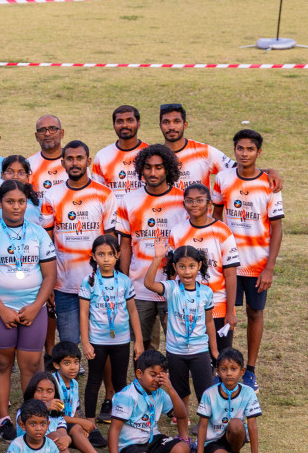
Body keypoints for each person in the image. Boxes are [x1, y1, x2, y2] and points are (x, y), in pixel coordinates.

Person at [0, 179, 58, 442]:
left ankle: (30, 416)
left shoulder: (38, 233)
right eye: (10, 201)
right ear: (1, 202)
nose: (16, 207)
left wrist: (35, 307)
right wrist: (2, 310)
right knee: (1, 363)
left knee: (31, 363)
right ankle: (4, 418)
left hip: (33, 307)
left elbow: (50, 276)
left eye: (21, 201)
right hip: (0, 310)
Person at [212, 129, 283, 389]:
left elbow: (277, 228)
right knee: (223, 314)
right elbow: (216, 218)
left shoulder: (270, 184)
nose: (244, 153)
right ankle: (219, 364)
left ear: (258, 153)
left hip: (256, 264)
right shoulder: (222, 178)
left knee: (255, 313)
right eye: (240, 148)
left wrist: (270, 268)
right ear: (234, 150)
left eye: (250, 149)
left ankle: (250, 370)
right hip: (227, 263)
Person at [40, 140, 119, 349]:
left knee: (102, 340)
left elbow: (111, 240)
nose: (75, 163)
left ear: (88, 161)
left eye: (79, 158)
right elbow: (47, 243)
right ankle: (71, 375)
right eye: (70, 159)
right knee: (69, 342)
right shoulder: (52, 196)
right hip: (64, 284)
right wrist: (48, 282)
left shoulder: (105, 194)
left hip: (99, 283)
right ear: (63, 163)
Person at [116, 144, 187, 351]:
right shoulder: (129, 200)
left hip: (173, 286)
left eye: (158, 167)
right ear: (141, 169)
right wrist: (125, 279)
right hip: (139, 287)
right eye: (148, 167)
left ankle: (174, 383)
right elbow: (126, 244)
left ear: (168, 169)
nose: (152, 172)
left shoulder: (182, 200)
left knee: (177, 343)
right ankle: (143, 383)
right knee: (142, 345)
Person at [165, 182, 240, 353]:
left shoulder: (223, 231)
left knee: (221, 355)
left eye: (199, 200)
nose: (194, 205)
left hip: (218, 305)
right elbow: (171, 273)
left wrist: (230, 311)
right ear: (184, 204)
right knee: (196, 356)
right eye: (189, 200)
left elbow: (230, 274)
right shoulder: (177, 231)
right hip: (187, 305)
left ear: (209, 203)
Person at [77, 234, 142, 424]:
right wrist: (86, 343)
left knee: (120, 381)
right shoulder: (88, 281)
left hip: (121, 340)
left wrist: (138, 340)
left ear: (118, 255)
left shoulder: (124, 280)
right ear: (93, 256)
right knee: (93, 382)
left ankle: (120, 422)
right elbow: (83, 314)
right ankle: (90, 425)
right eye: (101, 254)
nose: (106, 259)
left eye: (110, 254)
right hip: (97, 341)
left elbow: (132, 311)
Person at [143, 246, 218, 403]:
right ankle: (182, 419)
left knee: (205, 392)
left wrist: (214, 351)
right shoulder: (172, 288)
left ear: (199, 265)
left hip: (200, 350)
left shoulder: (206, 292)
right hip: (175, 351)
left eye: (191, 266)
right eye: (182, 267)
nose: (187, 271)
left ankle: (206, 422)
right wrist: (157, 258)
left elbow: (209, 321)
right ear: (174, 267)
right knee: (180, 390)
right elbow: (149, 283)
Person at [108, 349, 192, 453]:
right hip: (130, 444)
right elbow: (114, 429)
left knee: (183, 450)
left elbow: (181, 414)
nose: (157, 380)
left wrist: (171, 389)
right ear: (139, 374)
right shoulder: (127, 396)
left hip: (153, 439)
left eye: (161, 375)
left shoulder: (160, 393)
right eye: (153, 375)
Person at [195, 348, 262, 453]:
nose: (229, 373)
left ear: (242, 371)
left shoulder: (248, 393)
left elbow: (252, 427)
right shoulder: (209, 394)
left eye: (233, 369)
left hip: (232, 437)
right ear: (218, 372)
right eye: (224, 369)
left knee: (236, 424)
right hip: (212, 441)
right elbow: (202, 426)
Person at [91, 105, 145, 198]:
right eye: (120, 121)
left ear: (138, 124)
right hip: (114, 212)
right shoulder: (102, 156)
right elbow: (97, 193)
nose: (125, 125)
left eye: (130, 120)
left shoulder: (151, 153)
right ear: (114, 125)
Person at [27, 116, 67, 197]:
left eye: (52, 128)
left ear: (61, 133)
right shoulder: (28, 164)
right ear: (36, 136)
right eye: (42, 130)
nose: (47, 133)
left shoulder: (74, 162)